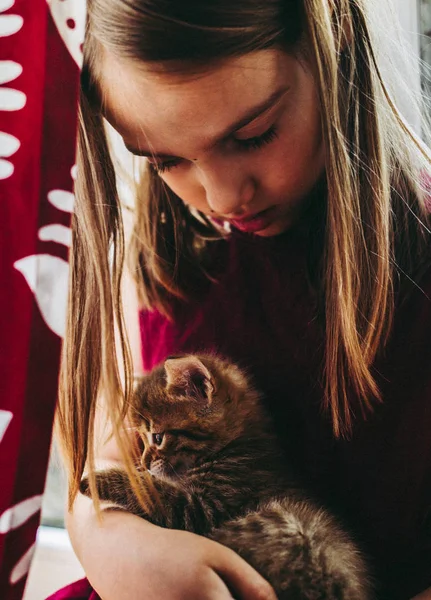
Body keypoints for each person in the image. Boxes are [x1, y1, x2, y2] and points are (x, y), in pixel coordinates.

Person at [53, 0, 431, 599]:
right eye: (165, 159)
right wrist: (99, 536)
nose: (222, 197)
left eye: (252, 136)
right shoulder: (172, 261)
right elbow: (110, 459)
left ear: (329, 48)